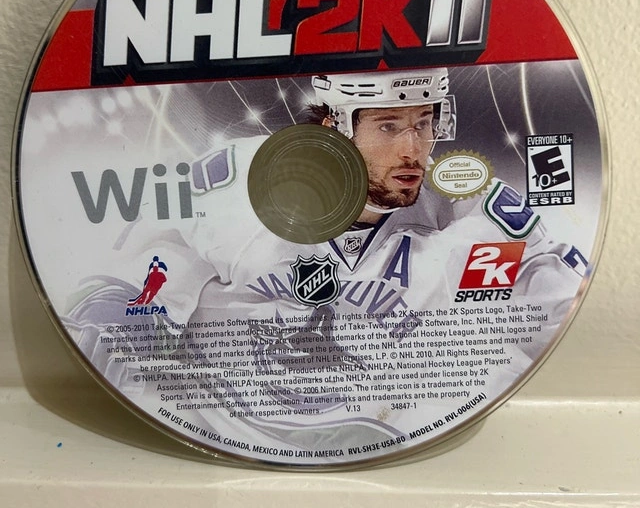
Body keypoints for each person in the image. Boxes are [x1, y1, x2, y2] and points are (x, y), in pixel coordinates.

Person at [65, 67, 586, 455]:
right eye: (388, 127)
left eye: (424, 124)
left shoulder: (467, 215)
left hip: (387, 444)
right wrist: (130, 321)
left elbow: (551, 306)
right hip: (213, 431)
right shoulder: (238, 185)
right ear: (336, 125)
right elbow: (131, 282)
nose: (413, 150)